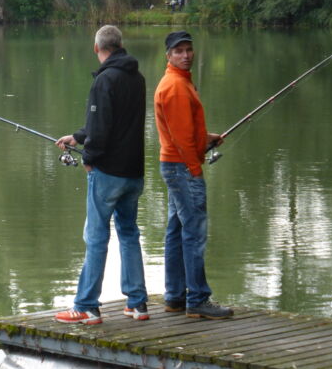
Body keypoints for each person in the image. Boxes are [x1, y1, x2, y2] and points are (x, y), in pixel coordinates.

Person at [54, 25, 149, 325]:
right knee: (129, 233)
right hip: (133, 173)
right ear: (120, 45)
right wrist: (77, 137)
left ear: (97, 48)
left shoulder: (104, 80)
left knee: (95, 238)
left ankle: (86, 306)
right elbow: (113, 122)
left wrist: (89, 160)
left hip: (107, 173)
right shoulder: (138, 78)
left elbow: (102, 128)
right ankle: (138, 304)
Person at [153, 30, 234, 320]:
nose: (186, 55)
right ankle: (197, 299)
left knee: (176, 232)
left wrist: (205, 138)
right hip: (182, 167)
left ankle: (175, 297)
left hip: (176, 165)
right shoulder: (175, 86)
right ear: (169, 55)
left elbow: (185, 132)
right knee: (194, 233)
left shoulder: (180, 82)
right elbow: (180, 138)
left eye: (189, 49)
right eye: (179, 51)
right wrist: (195, 168)